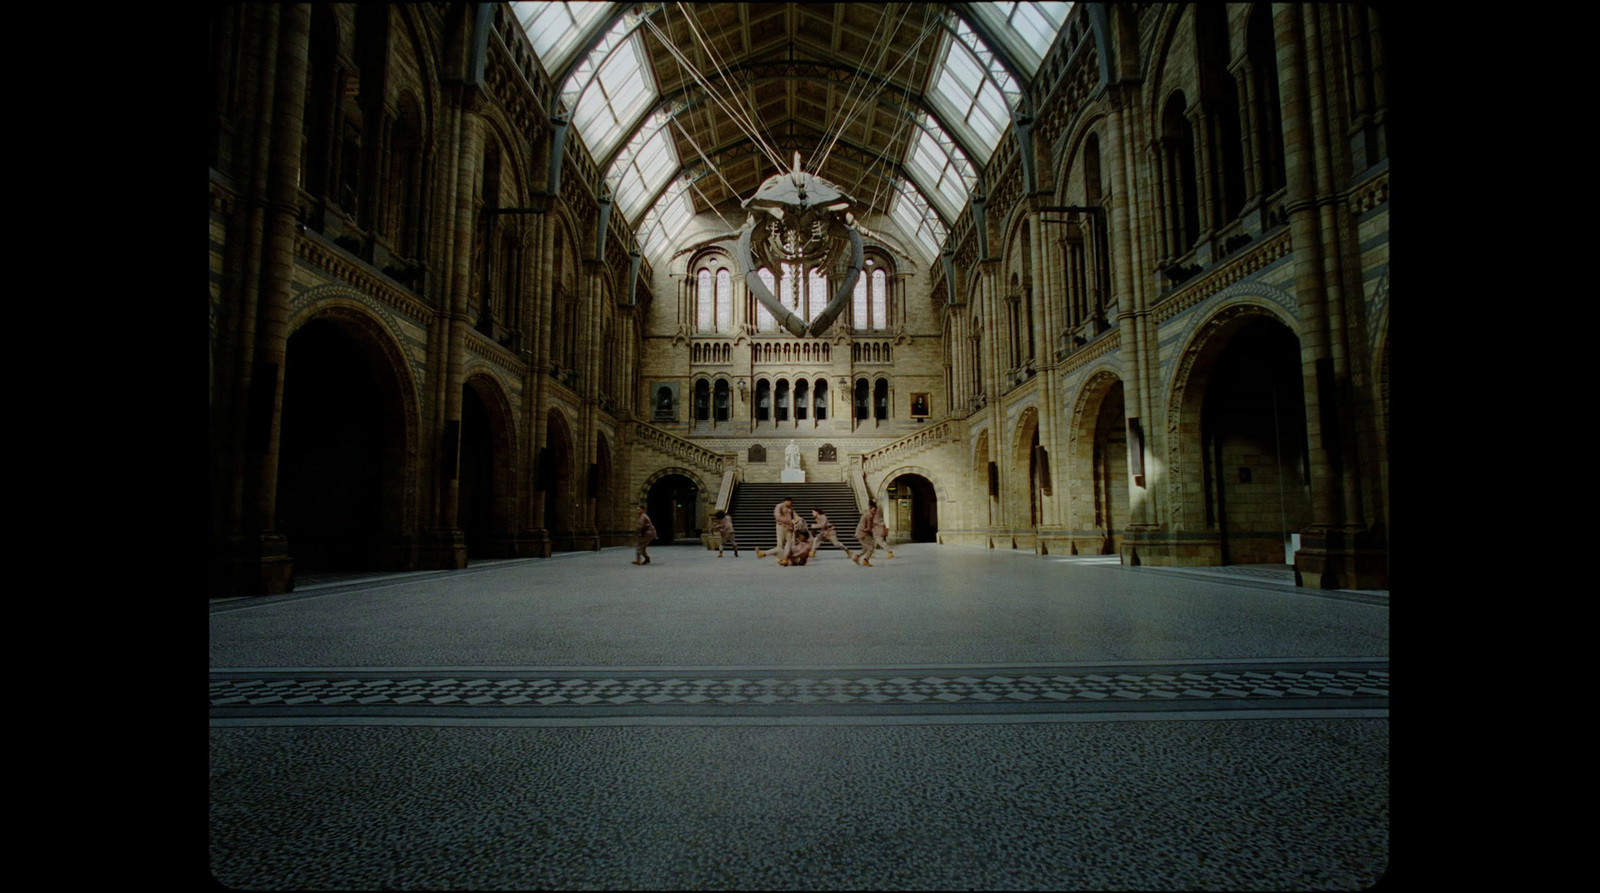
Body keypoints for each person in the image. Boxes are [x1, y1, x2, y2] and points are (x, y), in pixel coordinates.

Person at [854, 498, 893, 566]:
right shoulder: (869, 515)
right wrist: (868, 529)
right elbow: (865, 526)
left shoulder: (871, 514)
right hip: (865, 533)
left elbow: (870, 524)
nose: (874, 512)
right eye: (873, 510)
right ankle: (864, 559)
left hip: (871, 531)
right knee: (872, 545)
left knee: (870, 545)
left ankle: (859, 557)